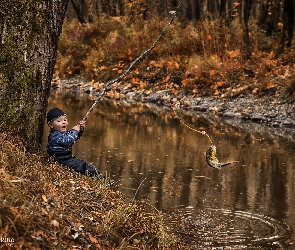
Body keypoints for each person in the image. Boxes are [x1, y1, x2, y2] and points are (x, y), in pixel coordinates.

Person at [46, 108, 114, 185]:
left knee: (84, 165)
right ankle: (104, 181)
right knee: (85, 166)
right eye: (59, 121)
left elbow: (74, 137)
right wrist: (75, 131)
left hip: (67, 158)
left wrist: (80, 129)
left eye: (65, 120)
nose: (63, 122)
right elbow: (68, 140)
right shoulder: (55, 135)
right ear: (51, 125)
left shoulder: (62, 134)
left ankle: (101, 180)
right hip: (61, 160)